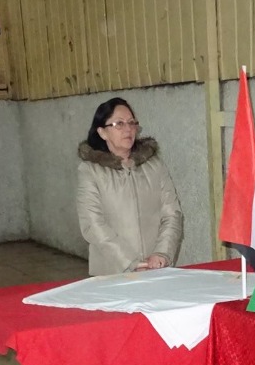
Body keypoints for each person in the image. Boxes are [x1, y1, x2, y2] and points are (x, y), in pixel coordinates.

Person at [76, 98, 183, 275]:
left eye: (131, 123)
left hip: (156, 268)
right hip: (112, 271)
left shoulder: (155, 165)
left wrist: (161, 253)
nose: (128, 129)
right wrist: (129, 262)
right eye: (119, 123)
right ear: (102, 132)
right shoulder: (90, 171)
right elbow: (92, 224)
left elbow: (172, 214)